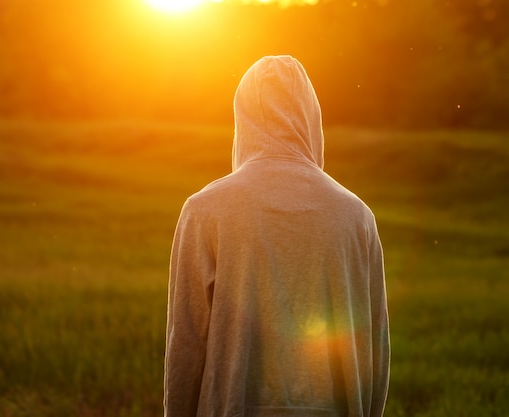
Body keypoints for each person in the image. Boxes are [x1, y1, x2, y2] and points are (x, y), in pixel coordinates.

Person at [164, 55, 390, 417]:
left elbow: (186, 342)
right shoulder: (356, 216)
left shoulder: (206, 210)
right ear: (311, 117)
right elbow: (375, 343)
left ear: (243, 119)